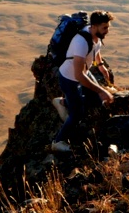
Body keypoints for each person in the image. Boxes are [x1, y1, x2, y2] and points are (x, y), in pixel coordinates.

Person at [51, 10, 115, 152]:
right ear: (95, 26)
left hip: (82, 74)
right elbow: (78, 76)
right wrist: (102, 90)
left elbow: (96, 49)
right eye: (105, 27)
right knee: (76, 114)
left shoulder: (94, 35)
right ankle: (58, 141)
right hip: (69, 78)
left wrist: (101, 66)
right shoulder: (80, 42)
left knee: (97, 101)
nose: (107, 31)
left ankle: (62, 102)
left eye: (108, 27)